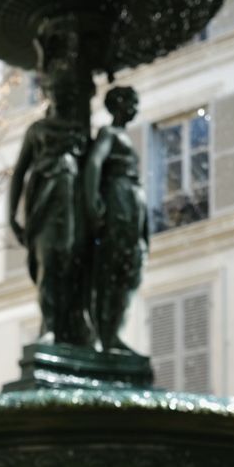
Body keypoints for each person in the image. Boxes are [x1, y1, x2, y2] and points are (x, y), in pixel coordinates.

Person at [7, 47, 92, 347]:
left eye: (65, 89)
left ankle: (77, 324)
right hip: (44, 204)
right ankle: (50, 326)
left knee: (74, 263)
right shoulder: (38, 131)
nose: (60, 94)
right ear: (47, 92)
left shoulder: (78, 130)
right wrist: (11, 216)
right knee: (49, 263)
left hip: (72, 205)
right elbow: (19, 172)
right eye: (54, 89)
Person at [84, 84, 148, 353]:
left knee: (130, 272)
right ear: (119, 104)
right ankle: (107, 335)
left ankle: (114, 333)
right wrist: (93, 200)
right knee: (113, 270)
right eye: (131, 102)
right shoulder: (109, 133)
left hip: (133, 203)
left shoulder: (123, 136)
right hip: (119, 200)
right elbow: (94, 164)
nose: (135, 108)